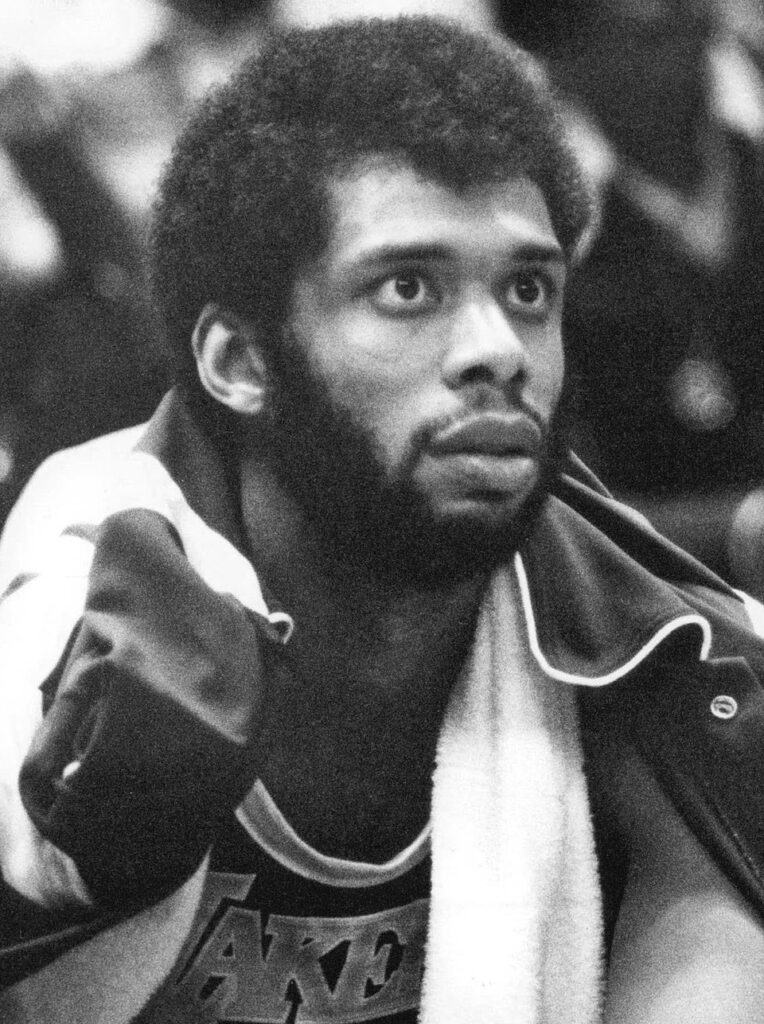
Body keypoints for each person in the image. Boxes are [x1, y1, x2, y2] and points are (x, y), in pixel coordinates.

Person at [0, 16, 762, 1024]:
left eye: (527, 288)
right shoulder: (78, 626)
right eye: (408, 288)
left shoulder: (660, 661)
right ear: (239, 363)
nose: (498, 348)